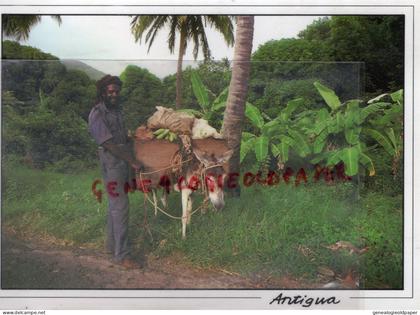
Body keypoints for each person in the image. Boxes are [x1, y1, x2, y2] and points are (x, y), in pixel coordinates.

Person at [88, 75, 142, 269]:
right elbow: (108, 143)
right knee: (121, 207)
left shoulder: (117, 111)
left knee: (114, 206)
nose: (114, 94)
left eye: (117, 91)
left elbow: (122, 138)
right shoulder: (97, 113)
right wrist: (132, 162)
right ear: (103, 92)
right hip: (112, 162)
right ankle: (122, 256)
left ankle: (111, 247)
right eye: (110, 91)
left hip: (121, 161)